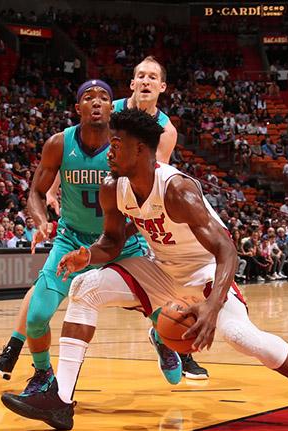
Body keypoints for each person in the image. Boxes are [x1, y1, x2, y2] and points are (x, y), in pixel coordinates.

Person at [0, 108, 288, 431]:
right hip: (162, 271)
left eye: (117, 145)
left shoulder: (178, 190)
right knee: (85, 287)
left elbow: (226, 251)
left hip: (206, 273)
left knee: (242, 338)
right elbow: (112, 241)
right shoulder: (113, 187)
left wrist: (212, 305)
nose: (109, 152)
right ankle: (60, 401)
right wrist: (87, 256)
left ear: (140, 149)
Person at [0, 80, 184, 394]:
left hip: (121, 242)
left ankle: (162, 339)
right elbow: (36, 192)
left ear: (112, 108)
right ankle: (42, 374)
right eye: (88, 97)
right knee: (37, 316)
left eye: (104, 97)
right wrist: (41, 221)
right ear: (78, 108)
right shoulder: (59, 143)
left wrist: (125, 233)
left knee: (166, 316)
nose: (96, 102)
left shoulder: (126, 147)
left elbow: (146, 198)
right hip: (72, 240)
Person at [44, 56, 208, 379]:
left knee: (155, 285)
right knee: (72, 288)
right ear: (132, 83)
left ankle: (169, 340)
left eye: (152, 77)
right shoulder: (109, 109)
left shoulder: (166, 130)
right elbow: (73, 147)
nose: (146, 81)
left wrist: (135, 218)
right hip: (91, 207)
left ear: (162, 87)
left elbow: (152, 180)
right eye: (141, 76)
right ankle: (20, 354)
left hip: (128, 207)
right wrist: (52, 188)